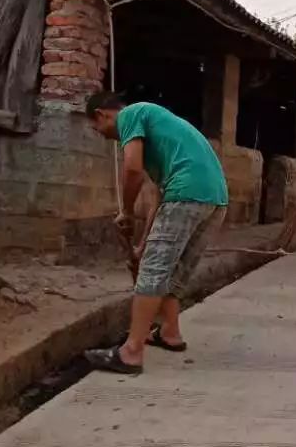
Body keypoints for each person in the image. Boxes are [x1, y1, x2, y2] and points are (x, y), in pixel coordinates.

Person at [83, 92, 229, 375]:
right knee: (173, 271)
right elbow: (159, 198)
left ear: (102, 114)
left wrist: (125, 210)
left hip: (186, 193)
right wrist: (142, 244)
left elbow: (133, 170)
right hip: (214, 198)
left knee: (152, 273)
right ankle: (169, 332)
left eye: (95, 127)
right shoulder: (160, 130)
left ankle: (131, 352)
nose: (100, 135)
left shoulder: (131, 114)